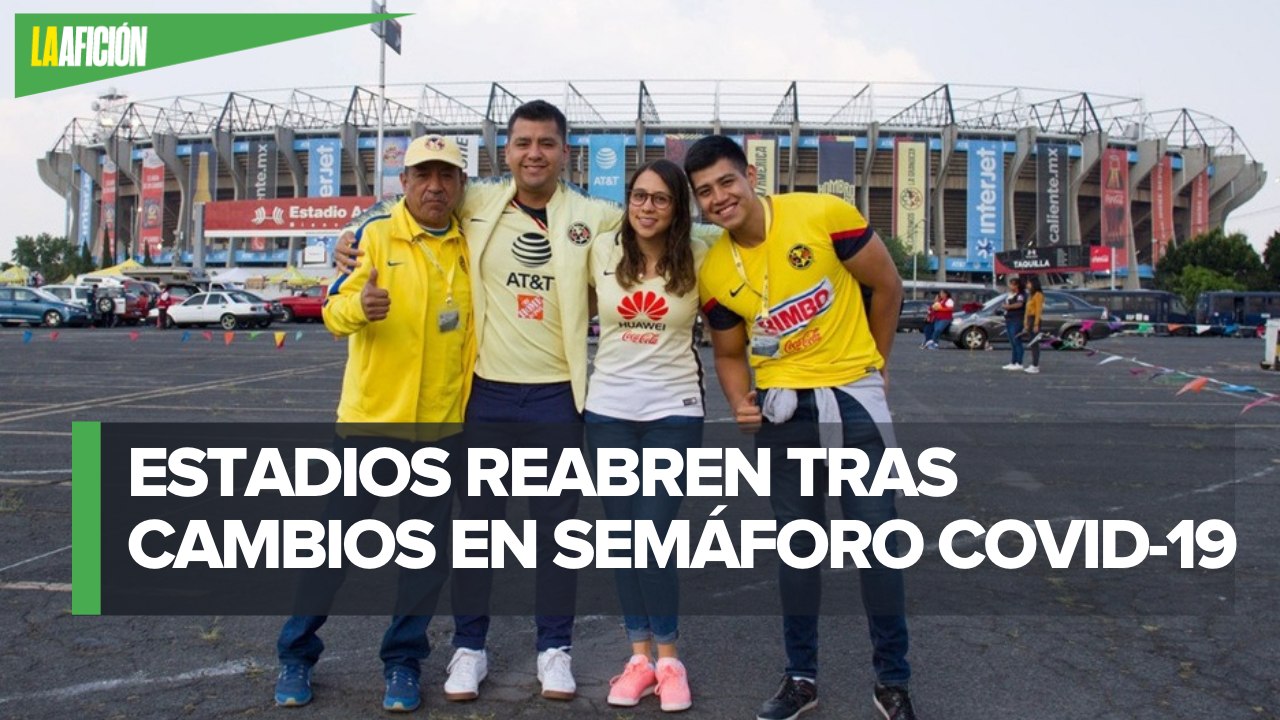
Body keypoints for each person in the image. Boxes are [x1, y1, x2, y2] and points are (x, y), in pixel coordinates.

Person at [335, 100, 623, 702]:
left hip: (556, 398)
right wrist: (352, 233)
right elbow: (407, 205)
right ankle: (470, 647)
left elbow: (664, 227)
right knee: (480, 533)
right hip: (486, 395)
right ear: (507, 153)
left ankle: (555, 650)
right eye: (523, 143)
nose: (534, 153)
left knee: (554, 535)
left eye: (546, 143)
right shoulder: (481, 202)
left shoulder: (592, 215)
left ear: (564, 152)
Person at [687, 135, 917, 720]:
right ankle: (801, 679)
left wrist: (879, 367)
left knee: (879, 545)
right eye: (705, 192)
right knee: (798, 552)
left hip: (853, 398)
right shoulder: (715, 268)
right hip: (784, 413)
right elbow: (731, 352)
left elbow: (888, 285)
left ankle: (893, 681)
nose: (719, 198)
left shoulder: (821, 213)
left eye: (726, 182)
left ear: (750, 175)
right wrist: (740, 400)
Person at [273, 134, 473, 713]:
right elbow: (334, 312)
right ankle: (295, 652)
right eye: (423, 175)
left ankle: (404, 663)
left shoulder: (469, 244)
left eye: (446, 176)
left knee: (422, 559)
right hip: (368, 427)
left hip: (439, 430)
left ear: (460, 186)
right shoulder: (371, 236)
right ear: (404, 183)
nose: (435, 186)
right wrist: (361, 308)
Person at [586, 159, 704, 712]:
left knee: (653, 532)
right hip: (607, 410)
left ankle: (671, 660)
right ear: (626, 200)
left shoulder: (702, 254)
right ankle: (639, 658)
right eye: (639, 196)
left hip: (673, 411)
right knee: (624, 535)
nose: (647, 208)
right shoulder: (600, 249)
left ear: (678, 207)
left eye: (660, 199)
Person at [1001, 277, 1027, 370]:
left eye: (1012, 284)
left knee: (1017, 341)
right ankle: (1013, 361)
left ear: (1017, 285)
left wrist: (1008, 307)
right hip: (1009, 319)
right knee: (1012, 342)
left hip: (1017, 319)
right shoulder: (1010, 294)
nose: (1010, 286)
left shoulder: (1021, 295)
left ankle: (1019, 362)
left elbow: (1019, 304)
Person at [1023, 276, 1044, 374]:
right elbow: (1027, 310)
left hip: (1035, 319)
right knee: (1031, 343)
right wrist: (1025, 323)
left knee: (1034, 343)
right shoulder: (1030, 295)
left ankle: (1035, 365)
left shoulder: (1038, 295)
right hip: (1029, 319)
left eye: (1029, 283)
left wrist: (1036, 324)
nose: (1027, 285)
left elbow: (1038, 310)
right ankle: (1033, 364)